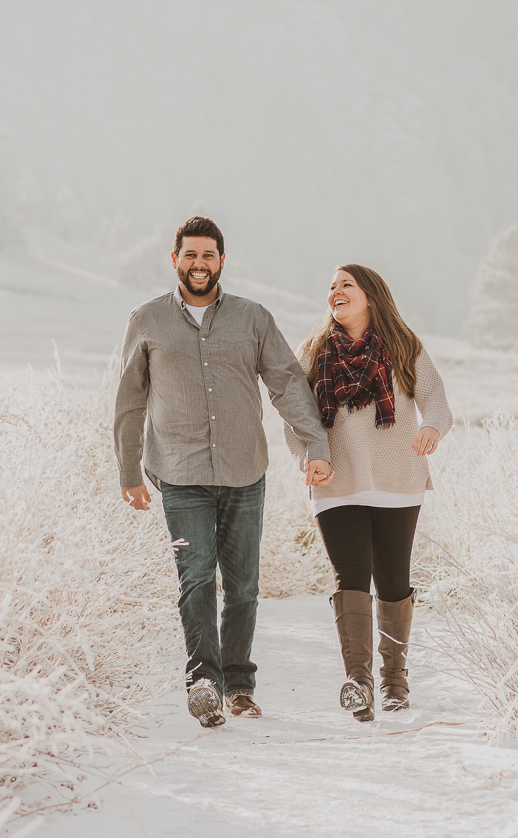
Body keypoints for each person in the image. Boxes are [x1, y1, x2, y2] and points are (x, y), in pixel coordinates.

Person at [114, 216, 334, 728]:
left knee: (243, 587)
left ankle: (239, 686)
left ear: (221, 260)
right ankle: (204, 683)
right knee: (195, 580)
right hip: (179, 473)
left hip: (243, 472)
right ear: (174, 260)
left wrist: (315, 444)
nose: (198, 264)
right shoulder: (146, 320)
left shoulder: (252, 318)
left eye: (208, 255)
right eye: (189, 255)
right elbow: (129, 401)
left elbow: (287, 384)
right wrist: (128, 470)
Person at [286, 264, 451, 722]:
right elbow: (297, 415)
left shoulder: (403, 347)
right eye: (331, 287)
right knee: (351, 577)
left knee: (394, 580)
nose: (335, 292)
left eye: (346, 285)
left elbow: (436, 401)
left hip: (398, 479)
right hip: (336, 481)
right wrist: (307, 456)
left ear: (371, 296)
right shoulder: (313, 352)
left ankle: (394, 682)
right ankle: (358, 682)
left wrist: (432, 428)